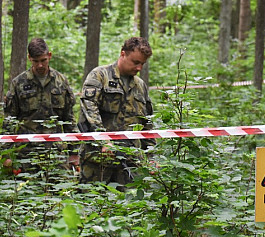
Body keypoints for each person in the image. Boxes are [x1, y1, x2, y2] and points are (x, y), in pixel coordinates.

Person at [78, 37, 155, 191]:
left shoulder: (140, 86)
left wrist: (151, 156)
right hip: (97, 158)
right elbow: (89, 108)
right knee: (90, 205)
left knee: (127, 209)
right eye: (135, 62)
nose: (139, 67)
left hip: (129, 162)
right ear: (123, 54)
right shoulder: (99, 76)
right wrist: (103, 139)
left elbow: (147, 123)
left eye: (142, 64)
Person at [3, 38, 79, 172]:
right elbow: (9, 120)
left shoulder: (61, 82)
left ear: (49, 56)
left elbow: (69, 119)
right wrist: (6, 154)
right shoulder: (19, 83)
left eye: (43, 60)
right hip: (26, 153)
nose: (40, 65)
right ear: (29, 58)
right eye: (36, 61)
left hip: (56, 151)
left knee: (60, 190)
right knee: (27, 190)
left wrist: (74, 151)